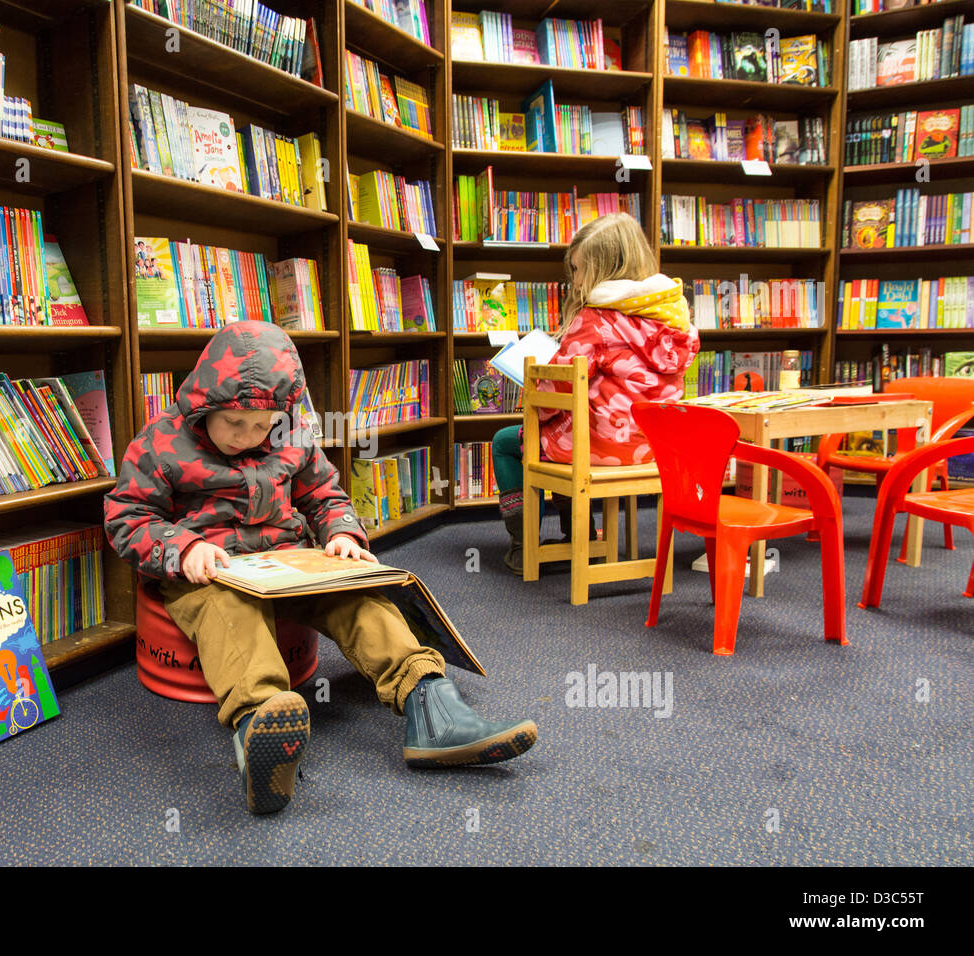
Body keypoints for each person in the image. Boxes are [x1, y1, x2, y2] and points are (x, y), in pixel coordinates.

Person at [106, 321, 537, 814]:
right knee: (230, 611)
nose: (249, 437)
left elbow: (324, 493)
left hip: (289, 562)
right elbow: (128, 516)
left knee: (359, 597)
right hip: (209, 571)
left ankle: (431, 704)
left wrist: (342, 534)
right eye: (234, 424)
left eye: (262, 424)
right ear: (205, 404)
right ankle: (261, 721)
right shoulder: (160, 442)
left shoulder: (293, 434)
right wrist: (181, 548)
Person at [494, 213, 700, 574]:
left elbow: (554, 390)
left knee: (516, 439)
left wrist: (535, 397)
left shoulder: (596, 318)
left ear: (602, 271)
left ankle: (525, 545)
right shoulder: (673, 317)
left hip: (601, 448)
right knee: (561, 429)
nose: (574, 282)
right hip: (654, 447)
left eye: (577, 270)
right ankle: (582, 536)